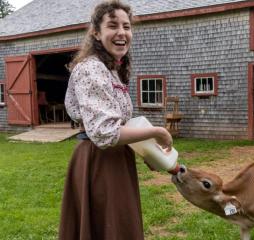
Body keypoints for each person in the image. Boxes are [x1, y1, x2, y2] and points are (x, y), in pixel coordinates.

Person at [59, 1, 173, 239]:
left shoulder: (110, 70)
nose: (122, 32)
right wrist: (156, 132)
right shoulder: (90, 69)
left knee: (119, 227)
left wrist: (149, 152)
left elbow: (121, 128)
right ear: (96, 33)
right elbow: (105, 132)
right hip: (98, 162)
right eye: (113, 26)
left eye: (127, 26)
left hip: (115, 159)